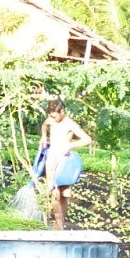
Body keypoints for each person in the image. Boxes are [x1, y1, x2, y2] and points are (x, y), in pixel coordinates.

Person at [37, 98, 91, 230]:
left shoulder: (70, 124)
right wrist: (44, 137)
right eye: (51, 116)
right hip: (51, 159)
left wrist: (69, 145)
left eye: (55, 116)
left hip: (65, 161)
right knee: (53, 191)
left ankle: (61, 221)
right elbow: (45, 125)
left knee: (65, 194)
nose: (53, 119)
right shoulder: (51, 120)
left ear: (62, 111)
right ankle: (59, 224)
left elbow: (87, 139)